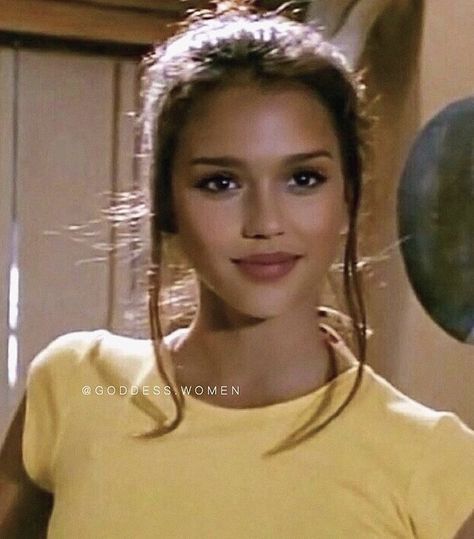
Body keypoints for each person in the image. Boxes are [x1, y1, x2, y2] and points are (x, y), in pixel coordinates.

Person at [1, 1, 473, 537]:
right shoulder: (79, 387)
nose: (266, 223)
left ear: (348, 196)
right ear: (166, 204)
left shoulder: (436, 465)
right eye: (221, 183)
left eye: (303, 179)